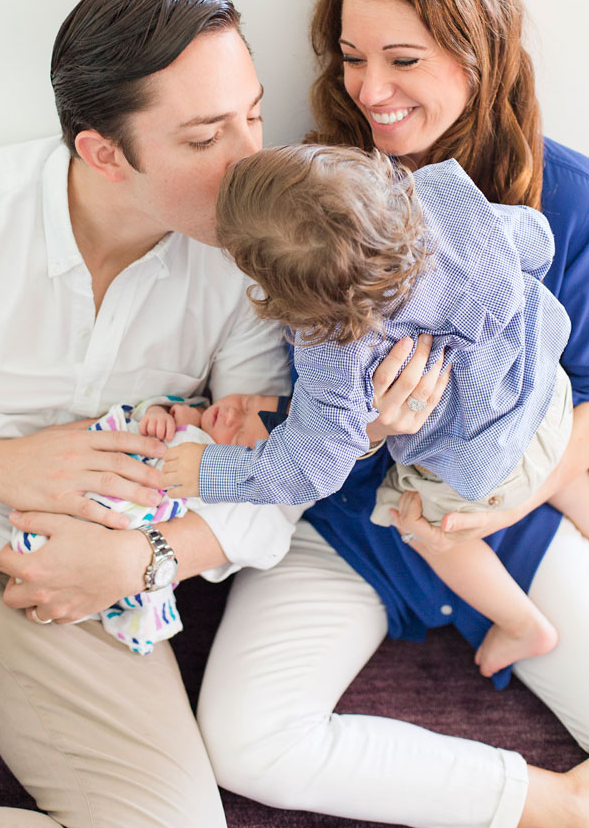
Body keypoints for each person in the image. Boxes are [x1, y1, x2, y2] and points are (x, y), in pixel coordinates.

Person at [0, 0, 442, 828]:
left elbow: (274, 469)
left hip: (90, 583)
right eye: (203, 138)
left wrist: (148, 562)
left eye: (253, 114)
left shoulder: (258, 259)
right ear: (104, 152)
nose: (250, 158)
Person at [197, 0, 589, 828]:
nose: (371, 91)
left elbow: (581, 394)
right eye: (351, 58)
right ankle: (554, 806)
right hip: (342, 523)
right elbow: (296, 404)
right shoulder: (306, 196)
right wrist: (287, 420)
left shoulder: (563, 198)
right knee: (246, 738)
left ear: (478, 51)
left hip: (503, 512)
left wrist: (510, 501)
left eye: (403, 60)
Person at [165, 141, 580, 678]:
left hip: (485, 462)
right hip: (548, 391)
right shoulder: (442, 208)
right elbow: (537, 240)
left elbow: (306, 468)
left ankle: (523, 624)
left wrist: (207, 470)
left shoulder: (333, 351)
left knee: (411, 518)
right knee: (543, 452)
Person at [11, 391, 290, 656]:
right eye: (245, 402)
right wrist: (159, 414)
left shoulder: (222, 481)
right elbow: (146, 410)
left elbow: (229, 509)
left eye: (239, 434)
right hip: (89, 480)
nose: (230, 415)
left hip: (132, 522)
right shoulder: (191, 411)